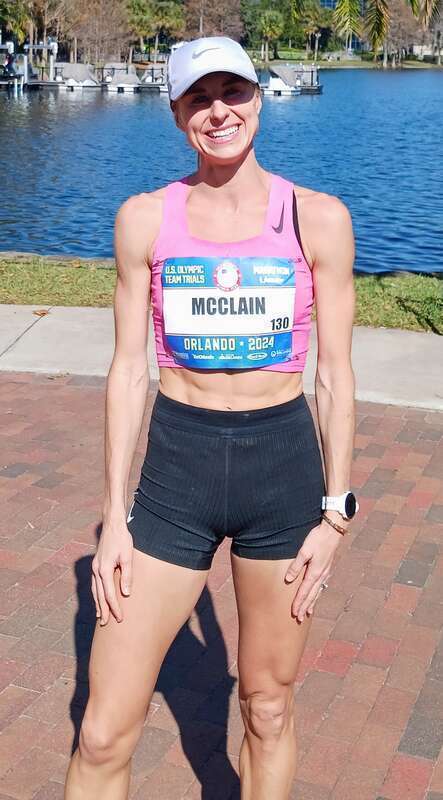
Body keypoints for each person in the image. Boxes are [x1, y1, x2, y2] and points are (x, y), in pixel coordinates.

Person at [64, 35, 358, 800]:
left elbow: (333, 376)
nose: (219, 110)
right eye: (199, 97)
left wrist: (333, 514)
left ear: (258, 97)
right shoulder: (144, 219)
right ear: (176, 113)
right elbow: (130, 370)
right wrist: (113, 517)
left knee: (264, 706)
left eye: (233, 91)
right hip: (175, 477)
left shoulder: (316, 218)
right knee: (101, 731)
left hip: (281, 474)